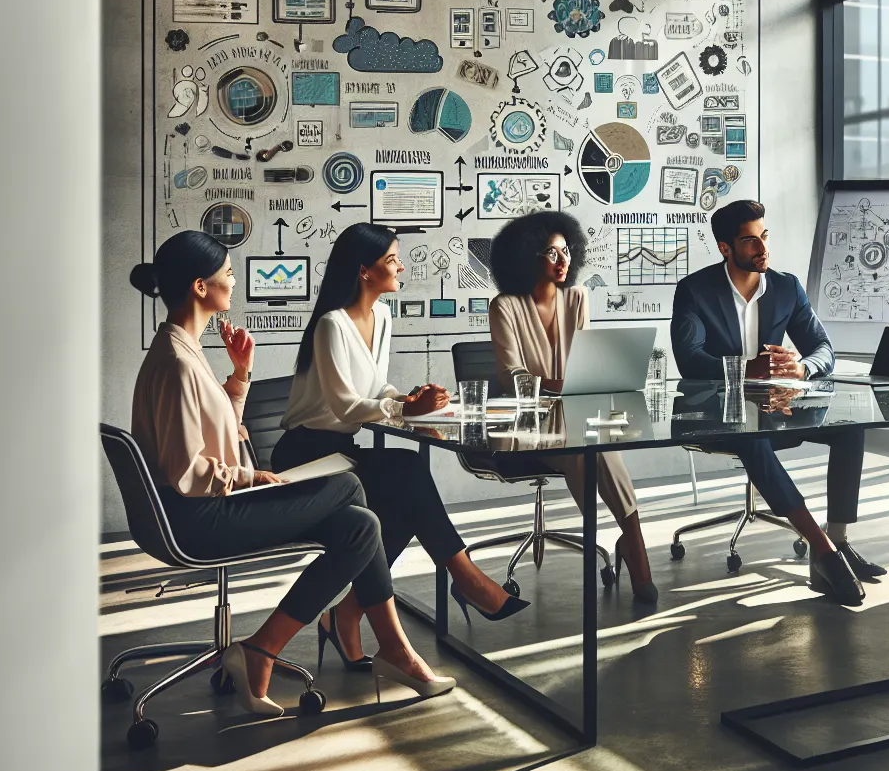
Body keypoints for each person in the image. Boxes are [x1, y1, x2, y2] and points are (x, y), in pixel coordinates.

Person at [128, 231, 453, 717]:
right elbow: (186, 470)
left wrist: (239, 377)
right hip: (196, 518)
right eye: (229, 274)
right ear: (201, 287)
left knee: (361, 526)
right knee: (347, 484)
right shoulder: (177, 362)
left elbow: (219, 432)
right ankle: (388, 648)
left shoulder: (184, 349)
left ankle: (265, 648)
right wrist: (250, 479)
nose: (234, 281)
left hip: (204, 506)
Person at [277, 223, 529, 665]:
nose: (401, 266)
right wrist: (404, 411)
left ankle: (350, 614)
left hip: (340, 452)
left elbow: (376, 387)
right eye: (392, 259)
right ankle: (464, 579)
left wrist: (408, 399)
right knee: (408, 479)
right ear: (364, 271)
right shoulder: (331, 325)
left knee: (406, 492)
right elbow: (346, 406)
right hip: (305, 457)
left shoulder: (383, 317)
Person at [669, 200, 873, 606]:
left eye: (764, 236)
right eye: (750, 241)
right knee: (751, 439)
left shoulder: (786, 287)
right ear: (725, 248)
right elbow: (688, 358)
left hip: (776, 407)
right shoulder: (694, 290)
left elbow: (822, 348)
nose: (762, 248)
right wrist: (747, 369)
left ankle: (839, 539)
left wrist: (802, 368)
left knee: (850, 429)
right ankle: (824, 552)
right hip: (717, 413)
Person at [487, 211, 658, 604]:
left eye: (567, 251)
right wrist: (552, 384)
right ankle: (632, 543)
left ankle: (632, 538)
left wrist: (594, 377)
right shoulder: (505, 306)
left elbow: (585, 359)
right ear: (528, 256)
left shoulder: (577, 298)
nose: (563, 261)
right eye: (551, 252)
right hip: (530, 424)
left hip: (578, 416)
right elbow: (511, 374)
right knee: (587, 449)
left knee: (595, 443)